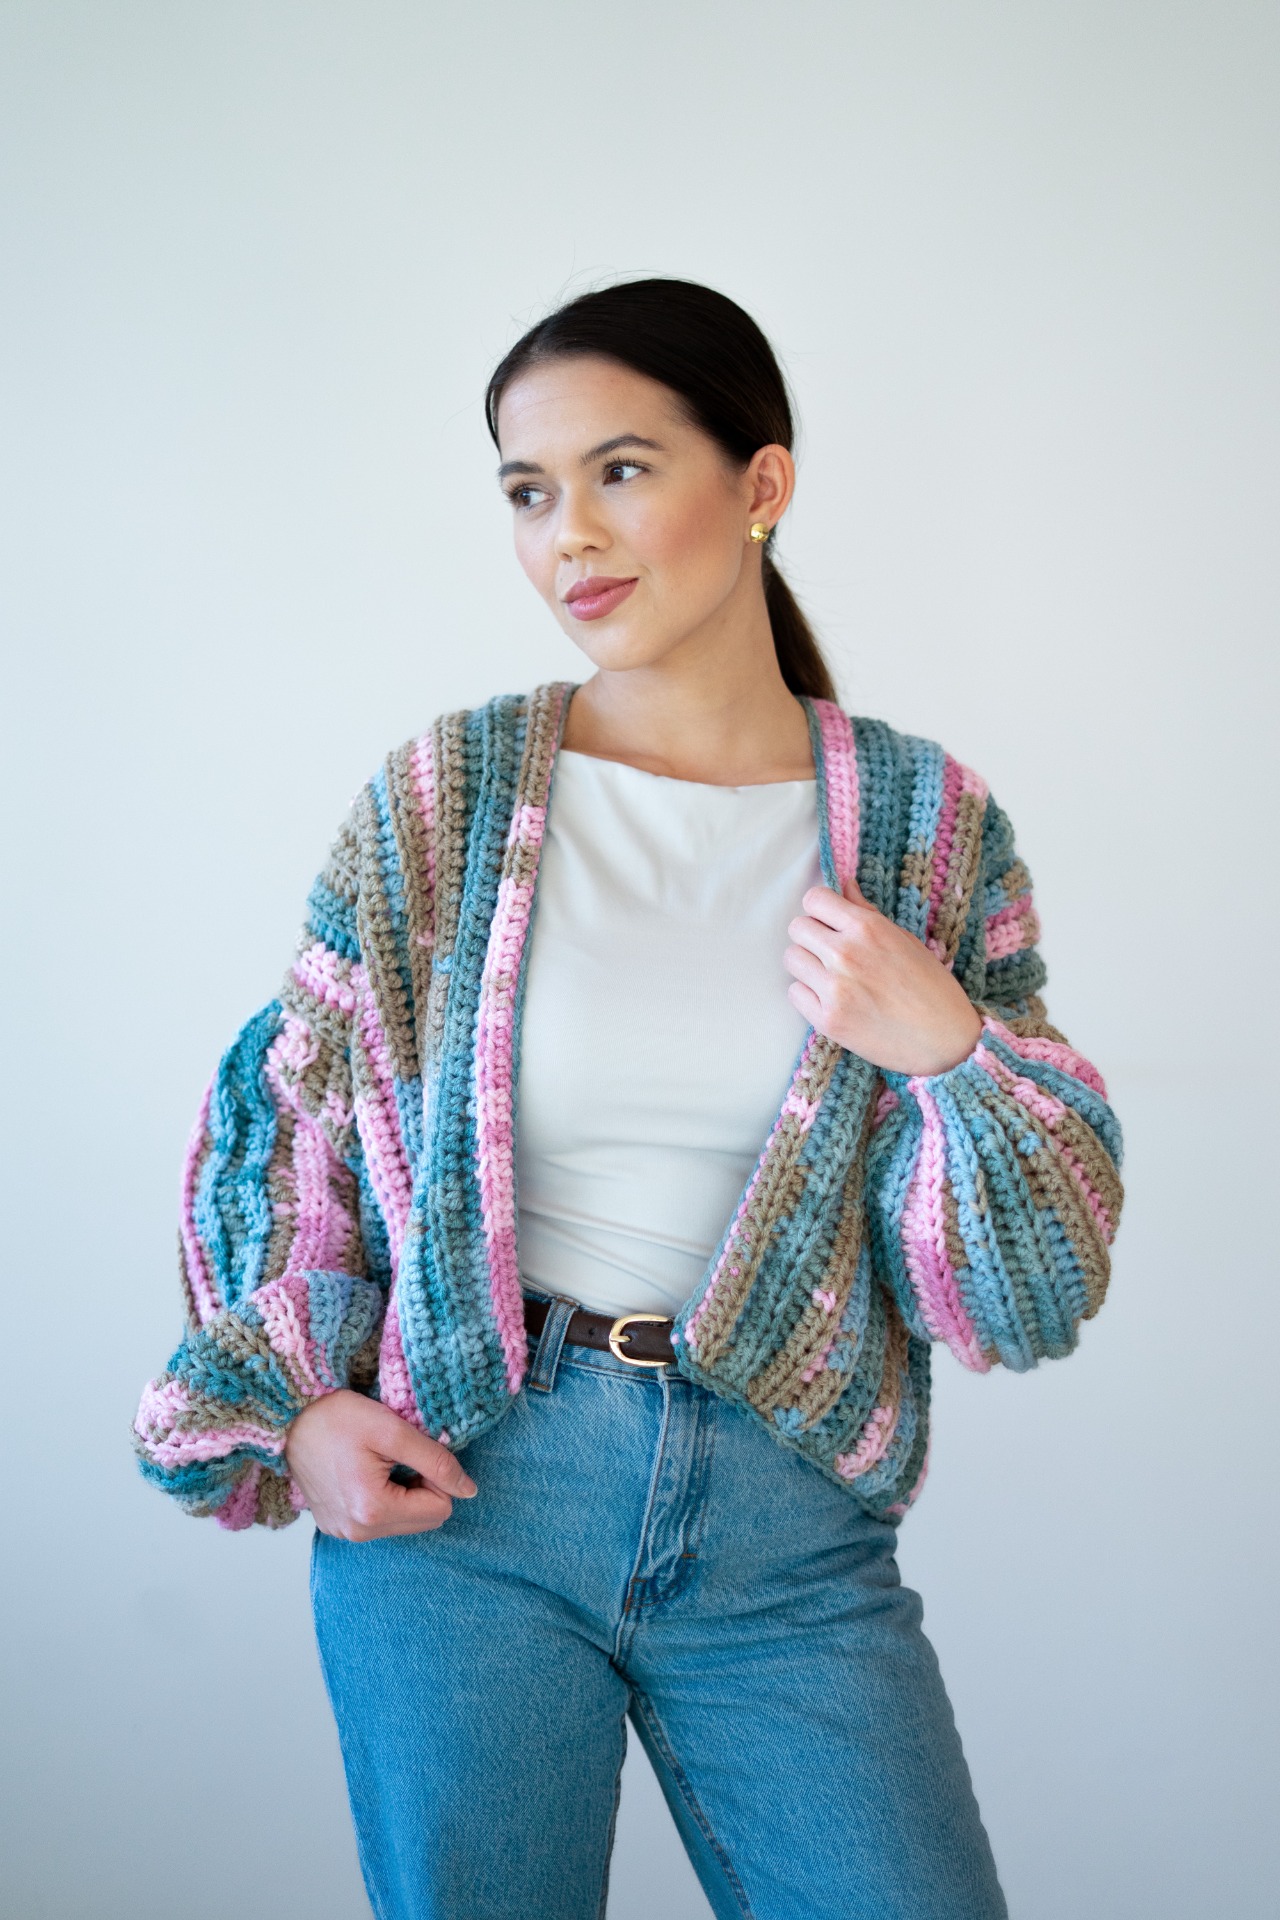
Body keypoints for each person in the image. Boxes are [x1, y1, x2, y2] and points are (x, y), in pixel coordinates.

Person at [134, 278, 1123, 1920]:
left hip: (787, 1531)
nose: (570, 536)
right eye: (530, 493)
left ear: (762, 483)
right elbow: (287, 1120)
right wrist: (299, 1408)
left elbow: (1019, 1296)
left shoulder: (922, 827)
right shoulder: (447, 801)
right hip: (472, 1503)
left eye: (622, 470)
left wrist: (949, 1046)